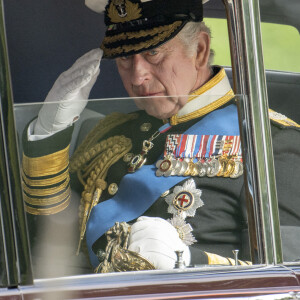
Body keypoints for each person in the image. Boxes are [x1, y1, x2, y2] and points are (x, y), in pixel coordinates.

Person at [22, 0, 300, 275]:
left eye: (153, 52)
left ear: (200, 50)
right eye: (125, 58)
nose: (137, 76)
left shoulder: (270, 142)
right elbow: (50, 236)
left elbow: (290, 274)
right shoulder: (111, 134)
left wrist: (192, 261)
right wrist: (50, 133)